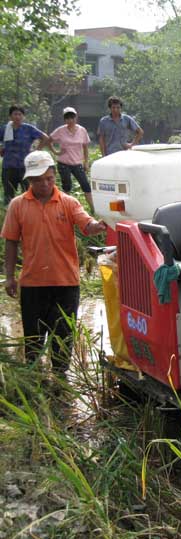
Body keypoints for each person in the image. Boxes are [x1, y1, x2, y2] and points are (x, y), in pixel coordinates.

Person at [2, 151, 106, 374]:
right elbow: (11, 243)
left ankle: (60, 383)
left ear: (54, 176)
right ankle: (36, 381)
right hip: (32, 284)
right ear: (29, 180)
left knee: (63, 340)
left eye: (49, 178)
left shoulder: (68, 203)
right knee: (33, 340)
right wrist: (10, 277)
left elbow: (86, 225)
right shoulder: (17, 206)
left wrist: (99, 225)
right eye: (39, 180)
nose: (45, 184)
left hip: (65, 283)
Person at [1, 106, 52, 204]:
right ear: (10, 116)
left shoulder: (28, 128)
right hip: (8, 167)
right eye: (15, 114)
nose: (17, 116)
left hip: (26, 167)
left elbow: (45, 138)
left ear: (23, 116)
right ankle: (9, 216)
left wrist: (36, 150)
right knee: (8, 195)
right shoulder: (4, 129)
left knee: (29, 194)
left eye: (20, 114)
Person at [50, 107, 94, 212]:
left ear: (76, 117)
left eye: (72, 117)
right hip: (63, 163)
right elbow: (49, 140)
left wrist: (86, 162)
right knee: (67, 187)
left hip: (77, 162)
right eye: (67, 118)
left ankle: (93, 209)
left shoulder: (82, 130)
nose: (70, 120)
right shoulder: (60, 130)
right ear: (65, 119)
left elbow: (85, 147)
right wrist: (56, 152)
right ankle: (65, 210)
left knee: (86, 185)